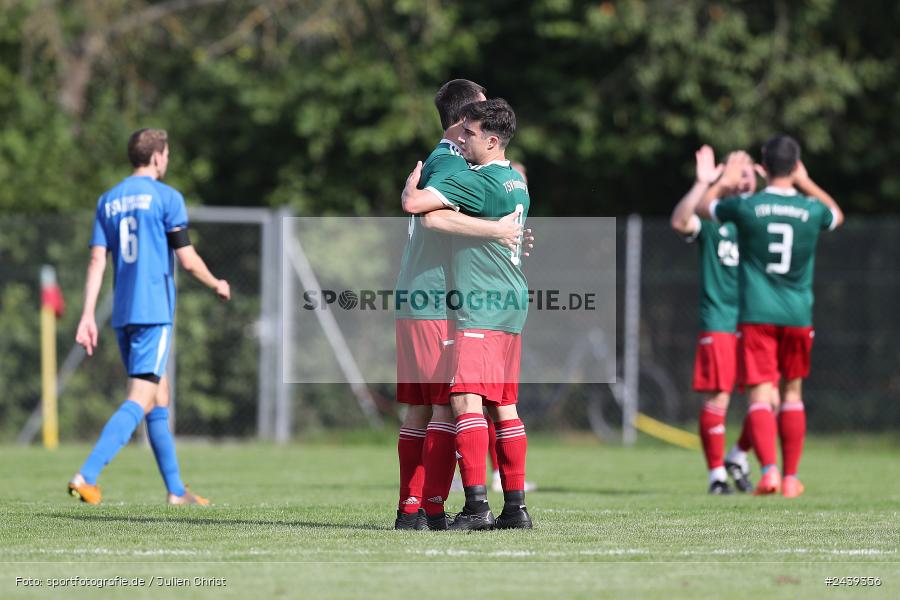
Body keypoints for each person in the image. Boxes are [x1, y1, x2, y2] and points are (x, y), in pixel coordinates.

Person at [69, 128, 230, 505]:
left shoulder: (107, 200)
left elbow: (97, 260)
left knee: (159, 397)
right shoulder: (168, 197)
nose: (167, 160)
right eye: (167, 154)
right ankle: (86, 475)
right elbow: (187, 260)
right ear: (157, 157)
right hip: (154, 312)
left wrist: (87, 315)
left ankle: (176, 491)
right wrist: (216, 283)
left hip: (123, 315)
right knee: (140, 397)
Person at [393, 80, 524, 530]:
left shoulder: (442, 158)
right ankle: (433, 509)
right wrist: (499, 231)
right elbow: (424, 212)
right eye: (483, 113)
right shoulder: (453, 164)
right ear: (465, 120)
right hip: (436, 299)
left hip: (419, 295)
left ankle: (412, 512)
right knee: (449, 406)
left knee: (421, 409)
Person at [698, 135, 843, 497]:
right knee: (792, 393)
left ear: (764, 163)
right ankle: (792, 477)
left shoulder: (749, 206)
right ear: (795, 165)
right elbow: (836, 215)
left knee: (761, 396)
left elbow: (704, 209)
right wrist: (805, 181)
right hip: (798, 314)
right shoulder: (811, 210)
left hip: (757, 313)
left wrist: (722, 181)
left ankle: (770, 471)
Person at [671, 145, 757, 494]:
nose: (740, 178)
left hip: (758, 321)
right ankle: (717, 476)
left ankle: (738, 455)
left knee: (770, 401)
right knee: (719, 398)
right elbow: (680, 221)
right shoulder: (712, 221)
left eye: (747, 172)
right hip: (721, 319)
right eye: (735, 172)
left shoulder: (765, 218)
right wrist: (704, 184)